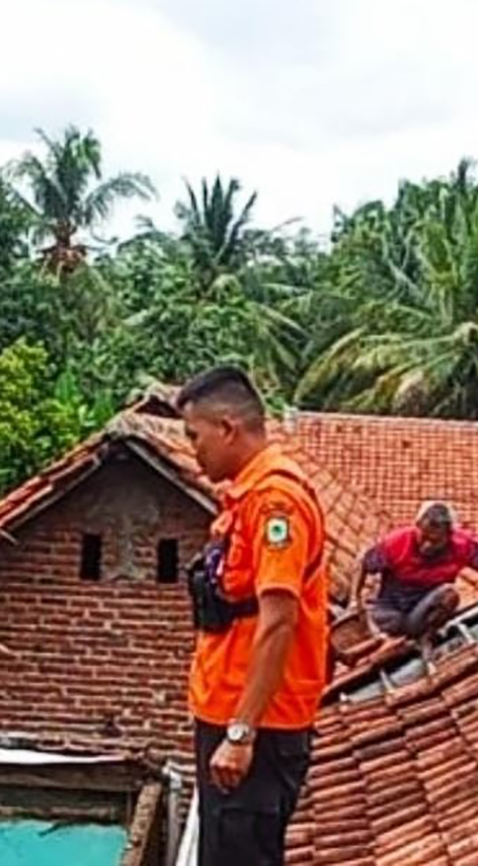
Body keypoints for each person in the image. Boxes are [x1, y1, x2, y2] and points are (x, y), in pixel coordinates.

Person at [178, 366, 327, 866]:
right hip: (229, 710)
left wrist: (241, 734)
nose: (193, 451)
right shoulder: (246, 497)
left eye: (194, 436)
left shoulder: (275, 503)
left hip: (259, 725)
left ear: (227, 428)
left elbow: (279, 620)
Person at [350, 501, 478, 657]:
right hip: (391, 610)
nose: (427, 546)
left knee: (449, 595)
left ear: (448, 536)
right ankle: (386, 643)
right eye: (423, 538)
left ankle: (426, 638)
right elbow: (363, 562)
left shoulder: (462, 545)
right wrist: (354, 599)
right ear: (417, 528)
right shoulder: (398, 541)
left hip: (423, 611)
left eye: (435, 541)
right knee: (374, 632)